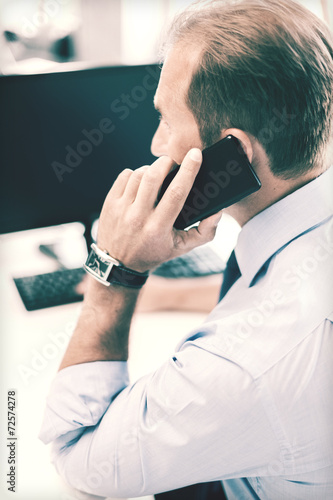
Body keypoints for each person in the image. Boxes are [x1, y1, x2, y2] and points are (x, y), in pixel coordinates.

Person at [39, 0, 333, 499]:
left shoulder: (244, 366)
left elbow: (76, 456)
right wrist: (169, 296)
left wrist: (116, 271)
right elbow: (275, 289)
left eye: (166, 121)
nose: (156, 145)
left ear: (232, 154)